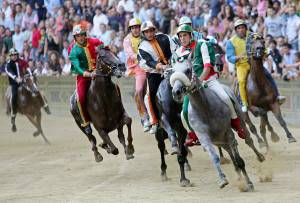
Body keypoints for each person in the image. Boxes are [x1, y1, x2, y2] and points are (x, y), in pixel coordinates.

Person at [174, 24, 246, 146]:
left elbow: (208, 66)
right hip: (191, 87)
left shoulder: (201, 44)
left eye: (185, 35)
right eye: (180, 36)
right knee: (183, 113)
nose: (182, 38)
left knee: (225, 97)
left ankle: (237, 124)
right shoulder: (178, 52)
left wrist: (200, 81)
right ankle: (193, 136)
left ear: (191, 35)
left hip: (208, 80)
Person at [226, 19, 285, 112]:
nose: (241, 29)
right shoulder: (231, 41)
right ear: (236, 30)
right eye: (239, 28)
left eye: (242, 27)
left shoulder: (253, 36)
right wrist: (237, 58)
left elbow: (261, 46)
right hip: (242, 65)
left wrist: (267, 51)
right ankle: (244, 103)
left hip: (255, 64)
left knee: (268, 75)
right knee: (241, 81)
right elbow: (229, 57)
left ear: (246, 28)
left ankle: (277, 96)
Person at [137, 21, 176, 134]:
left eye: (151, 31)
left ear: (154, 30)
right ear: (143, 34)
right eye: (146, 32)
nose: (149, 34)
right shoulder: (142, 47)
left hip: (171, 68)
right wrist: (162, 67)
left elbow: (174, 50)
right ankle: (154, 121)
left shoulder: (165, 37)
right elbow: (149, 62)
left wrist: (172, 62)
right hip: (155, 74)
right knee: (149, 96)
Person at [68, 24, 104, 135]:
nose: (81, 37)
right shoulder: (74, 51)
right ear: (75, 37)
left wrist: (101, 48)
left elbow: (101, 43)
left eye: (82, 35)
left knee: (112, 86)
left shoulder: (92, 41)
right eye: (78, 36)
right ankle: (86, 122)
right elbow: (77, 68)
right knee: (81, 98)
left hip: (98, 72)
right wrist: (88, 74)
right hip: (83, 77)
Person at [5, 48, 51, 126]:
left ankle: (45, 106)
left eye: (15, 54)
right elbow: (9, 72)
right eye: (12, 55)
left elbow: (27, 68)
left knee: (36, 89)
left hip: (24, 80)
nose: (14, 56)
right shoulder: (8, 64)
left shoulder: (22, 61)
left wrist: (30, 75)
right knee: (14, 95)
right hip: (14, 83)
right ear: (10, 56)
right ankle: (13, 114)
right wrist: (16, 78)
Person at [123, 18, 150, 132]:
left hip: (150, 66)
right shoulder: (127, 40)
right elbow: (130, 53)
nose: (135, 30)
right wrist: (142, 57)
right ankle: (144, 117)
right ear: (130, 29)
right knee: (139, 91)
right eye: (133, 28)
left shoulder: (145, 36)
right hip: (138, 68)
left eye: (137, 27)